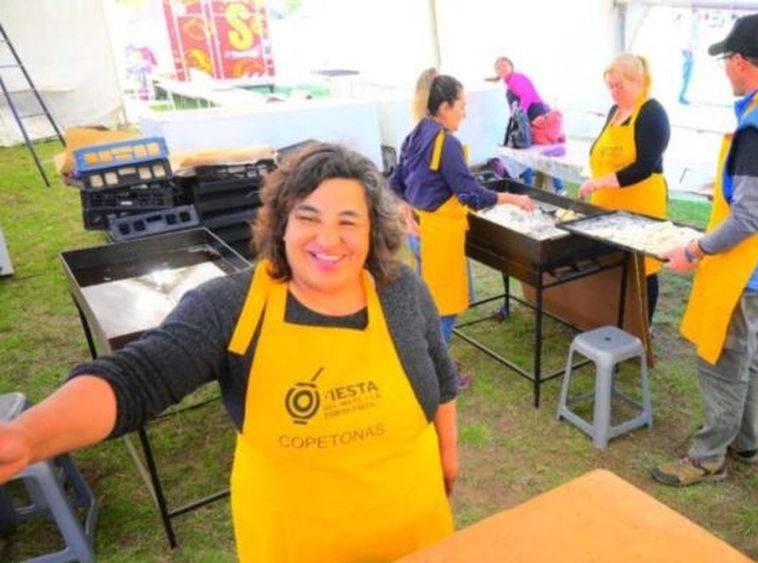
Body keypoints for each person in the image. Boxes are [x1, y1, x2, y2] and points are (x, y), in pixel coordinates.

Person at [0, 144, 460, 561]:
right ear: (281, 224)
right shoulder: (230, 307)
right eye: (308, 217)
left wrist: (449, 458)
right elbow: (139, 376)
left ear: (372, 231)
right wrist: (27, 436)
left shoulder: (402, 291)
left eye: (348, 222)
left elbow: (440, 378)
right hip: (297, 545)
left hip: (416, 534)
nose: (328, 238)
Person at [652, 13, 758, 486]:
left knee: (723, 359)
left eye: (727, 60)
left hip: (747, 267)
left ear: (743, 62)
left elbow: (748, 216)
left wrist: (695, 249)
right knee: (746, 354)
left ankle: (708, 457)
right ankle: (744, 442)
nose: (725, 69)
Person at [390, 74, 533, 347]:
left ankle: (426, 361)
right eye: (462, 106)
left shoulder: (414, 135)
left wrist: (406, 211)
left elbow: (395, 183)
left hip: (417, 233)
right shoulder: (446, 143)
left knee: (426, 303)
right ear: (445, 107)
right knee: (443, 308)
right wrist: (514, 199)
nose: (464, 114)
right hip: (438, 238)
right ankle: (437, 371)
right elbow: (472, 196)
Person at [579, 53, 670, 323]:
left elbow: (644, 165)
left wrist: (599, 182)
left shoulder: (653, 113)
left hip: (641, 203)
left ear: (639, 81)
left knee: (644, 267)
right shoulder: (615, 111)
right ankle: (613, 318)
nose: (614, 92)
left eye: (620, 86)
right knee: (611, 262)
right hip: (608, 203)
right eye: (610, 86)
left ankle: (643, 327)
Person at [493, 56, 564, 192]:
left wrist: (521, 114)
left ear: (511, 66)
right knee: (525, 151)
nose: (501, 68)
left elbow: (527, 96)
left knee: (545, 152)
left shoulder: (516, 78)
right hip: (526, 116)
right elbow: (514, 107)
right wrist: (516, 120)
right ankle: (528, 186)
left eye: (504, 65)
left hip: (536, 113)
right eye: (498, 67)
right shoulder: (508, 85)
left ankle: (559, 187)